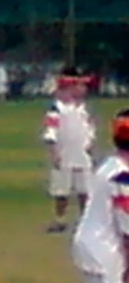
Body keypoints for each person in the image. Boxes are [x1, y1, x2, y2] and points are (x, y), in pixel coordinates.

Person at [72, 108, 129, 283]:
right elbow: (127, 226)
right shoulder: (123, 176)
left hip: (90, 243)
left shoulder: (109, 166)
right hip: (103, 248)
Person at [42, 67, 96, 234]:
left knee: (84, 190)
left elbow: (89, 128)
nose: (84, 90)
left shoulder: (83, 109)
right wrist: (54, 152)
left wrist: (90, 145)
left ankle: (85, 220)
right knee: (61, 191)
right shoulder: (57, 109)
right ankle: (60, 220)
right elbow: (50, 131)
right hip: (64, 154)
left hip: (82, 154)